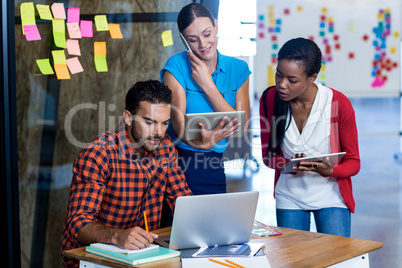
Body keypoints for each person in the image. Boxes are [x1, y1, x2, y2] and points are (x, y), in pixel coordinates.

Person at [60, 80, 192, 267]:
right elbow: (78, 223)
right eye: (149, 122)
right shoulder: (99, 153)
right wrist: (116, 235)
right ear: (128, 118)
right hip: (92, 260)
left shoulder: (165, 148)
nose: (159, 132)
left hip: (143, 255)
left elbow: (183, 201)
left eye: (164, 123)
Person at [259, 37, 360, 237]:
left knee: (336, 261)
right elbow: (268, 156)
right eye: (278, 75)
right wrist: (287, 163)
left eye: (292, 80)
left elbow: (354, 162)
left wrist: (330, 170)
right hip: (289, 197)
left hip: (332, 197)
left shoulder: (338, 103)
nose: (282, 85)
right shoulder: (270, 99)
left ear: (312, 77)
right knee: (294, 262)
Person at [160, 3, 251, 195]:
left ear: (216, 26)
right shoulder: (176, 66)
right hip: (178, 161)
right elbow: (179, 126)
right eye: (193, 40)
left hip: (214, 162)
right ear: (184, 41)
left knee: (212, 222)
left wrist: (207, 84)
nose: (203, 45)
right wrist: (201, 144)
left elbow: (240, 127)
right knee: (176, 223)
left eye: (207, 34)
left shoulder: (238, 69)